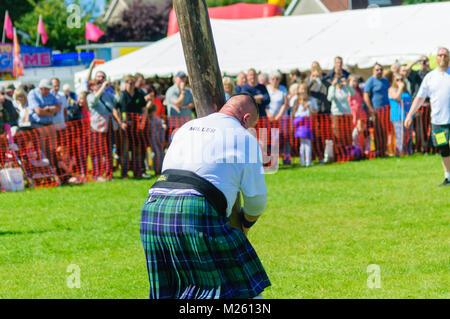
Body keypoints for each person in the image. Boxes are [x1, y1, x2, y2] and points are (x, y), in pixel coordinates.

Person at [140, 93, 270, 299]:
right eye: (250, 124)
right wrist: (246, 222)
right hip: (196, 209)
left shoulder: (187, 127)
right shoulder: (244, 138)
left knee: (174, 291)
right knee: (241, 292)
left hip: (153, 208)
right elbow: (257, 200)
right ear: (246, 119)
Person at [405, 47, 450, 186]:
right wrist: (410, 114)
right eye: (440, 55)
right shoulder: (430, 77)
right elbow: (419, 98)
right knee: (443, 148)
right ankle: (448, 177)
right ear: (436, 58)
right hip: (438, 121)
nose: (442, 58)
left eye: (445, 55)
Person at [115, 74, 148, 178]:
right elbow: (115, 109)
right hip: (125, 126)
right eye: (128, 82)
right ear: (125, 83)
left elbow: (144, 108)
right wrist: (120, 122)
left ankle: (137, 172)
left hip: (137, 127)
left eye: (132, 82)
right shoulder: (121, 95)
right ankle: (124, 173)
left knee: (137, 149)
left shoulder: (139, 94)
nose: (130, 84)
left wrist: (143, 121)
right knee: (125, 151)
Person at [87, 80, 116, 181]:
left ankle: (109, 174)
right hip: (97, 128)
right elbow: (94, 101)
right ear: (91, 86)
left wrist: (117, 88)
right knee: (98, 152)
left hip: (108, 126)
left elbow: (117, 101)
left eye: (101, 83)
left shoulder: (107, 95)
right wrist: (102, 87)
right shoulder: (90, 96)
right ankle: (97, 174)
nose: (99, 85)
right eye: (97, 83)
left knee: (108, 151)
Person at [363, 63, 390, 157]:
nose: (379, 71)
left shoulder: (385, 80)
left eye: (381, 69)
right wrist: (370, 109)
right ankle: (378, 150)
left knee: (385, 131)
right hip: (376, 110)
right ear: (373, 70)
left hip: (386, 109)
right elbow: (366, 95)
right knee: (378, 130)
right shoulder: (370, 81)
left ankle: (384, 150)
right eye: (377, 69)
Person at [328, 74, 355, 161]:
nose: (339, 82)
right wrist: (333, 86)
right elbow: (330, 98)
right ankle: (339, 154)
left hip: (346, 114)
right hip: (337, 114)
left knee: (347, 134)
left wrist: (347, 84)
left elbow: (352, 93)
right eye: (337, 80)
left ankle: (348, 154)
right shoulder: (332, 89)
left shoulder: (345, 88)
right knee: (338, 135)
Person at [267, 71, 290, 164]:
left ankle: (286, 159)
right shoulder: (267, 89)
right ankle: (273, 161)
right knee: (272, 139)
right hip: (270, 118)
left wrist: (278, 116)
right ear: (269, 80)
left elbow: (285, 103)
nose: (275, 81)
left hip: (282, 118)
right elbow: (265, 103)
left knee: (284, 138)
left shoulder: (283, 89)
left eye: (277, 79)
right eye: (273, 79)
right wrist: (268, 114)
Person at [389, 74, 412, 156]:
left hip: (407, 116)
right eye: (397, 80)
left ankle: (408, 152)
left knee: (409, 135)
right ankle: (399, 152)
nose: (400, 82)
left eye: (401, 80)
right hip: (398, 116)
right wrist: (400, 88)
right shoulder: (392, 89)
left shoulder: (407, 91)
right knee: (400, 135)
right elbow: (397, 98)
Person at [292, 92, 318, 167]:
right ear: (299, 100)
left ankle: (306, 161)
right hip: (304, 129)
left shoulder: (305, 107)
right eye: (301, 100)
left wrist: (308, 108)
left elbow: (310, 115)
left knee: (305, 145)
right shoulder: (299, 108)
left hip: (305, 129)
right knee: (305, 145)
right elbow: (303, 115)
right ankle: (305, 161)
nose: (303, 102)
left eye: (304, 100)